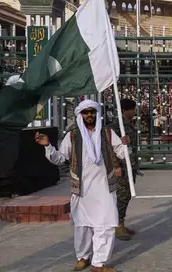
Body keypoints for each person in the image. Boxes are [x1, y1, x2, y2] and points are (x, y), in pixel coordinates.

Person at [35, 99, 129, 272]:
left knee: (106, 224)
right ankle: (83, 257)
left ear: (97, 113)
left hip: (104, 187)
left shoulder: (107, 133)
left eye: (92, 111)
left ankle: (99, 263)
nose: (89, 115)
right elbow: (60, 158)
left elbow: (122, 153)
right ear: (80, 115)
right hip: (82, 189)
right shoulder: (72, 136)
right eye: (86, 112)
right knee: (82, 225)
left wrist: (125, 144)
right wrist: (47, 145)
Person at [108, 98, 138, 241]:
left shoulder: (128, 124)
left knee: (127, 195)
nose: (134, 111)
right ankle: (117, 225)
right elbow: (111, 148)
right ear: (125, 110)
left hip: (130, 165)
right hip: (121, 167)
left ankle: (122, 222)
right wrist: (116, 166)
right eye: (132, 109)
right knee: (121, 195)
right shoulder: (116, 126)